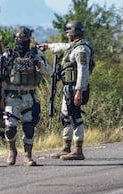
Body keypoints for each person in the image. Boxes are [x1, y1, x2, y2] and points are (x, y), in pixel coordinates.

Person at [0, 26, 51, 166]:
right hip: (12, 97)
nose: (22, 40)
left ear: (29, 39)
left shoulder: (36, 55)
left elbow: (49, 71)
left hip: (30, 97)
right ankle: (12, 151)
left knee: (29, 128)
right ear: (15, 39)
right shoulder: (8, 56)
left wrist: (38, 64)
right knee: (10, 129)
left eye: (25, 38)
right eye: (20, 38)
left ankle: (27, 155)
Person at [38, 20, 93, 160]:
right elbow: (62, 46)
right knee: (65, 116)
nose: (67, 35)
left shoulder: (81, 50)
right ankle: (66, 147)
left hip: (75, 87)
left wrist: (79, 91)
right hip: (68, 87)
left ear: (72, 34)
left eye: (68, 33)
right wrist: (48, 46)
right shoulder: (74, 47)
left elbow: (83, 71)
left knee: (75, 116)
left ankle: (78, 150)